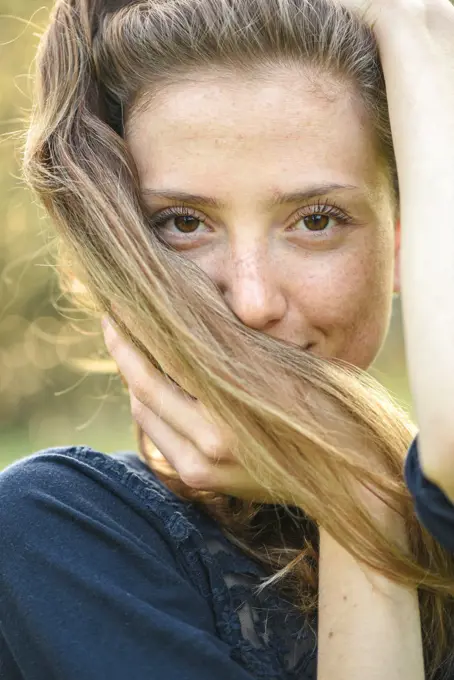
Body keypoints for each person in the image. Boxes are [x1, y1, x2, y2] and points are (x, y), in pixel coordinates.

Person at [1, 0, 454, 677]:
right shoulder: (57, 536)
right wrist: (357, 503)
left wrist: (421, 37)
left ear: (406, 244)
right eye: (183, 222)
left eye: (318, 219)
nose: (251, 301)